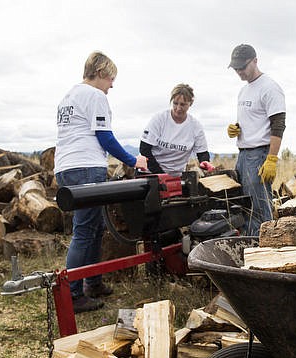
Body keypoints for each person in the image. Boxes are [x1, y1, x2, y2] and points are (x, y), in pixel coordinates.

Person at [54, 51, 143, 313]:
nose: (112, 85)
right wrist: (132, 160)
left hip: (66, 166)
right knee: (84, 230)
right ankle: (72, 293)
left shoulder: (68, 96)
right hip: (86, 166)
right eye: (111, 79)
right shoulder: (95, 96)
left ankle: (93, 282)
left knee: (94, 227)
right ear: (102, 73)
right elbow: (105, 138)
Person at [227, 44, 286, 235]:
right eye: (236, 68)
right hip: (243, 155)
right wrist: (236, 128)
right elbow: (252, 119)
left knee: (259, 209)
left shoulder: (269, 87)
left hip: (259, 154)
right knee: (244, 206)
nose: (239, 72)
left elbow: (278, 124)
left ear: (255, 61)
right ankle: (249, 247)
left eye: (242, 67)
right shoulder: (244, 91)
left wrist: (271, 159)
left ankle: (265, 250)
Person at [139, 83, 214, 177]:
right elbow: (144, 149)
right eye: (175, 103)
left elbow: (202, 153)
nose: (178, 108)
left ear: (190, 103)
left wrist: (205, 162)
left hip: (176, 176)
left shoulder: (195, 126)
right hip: (150, 173)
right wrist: (161, 175)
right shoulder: (159, 119)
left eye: (183, 105)